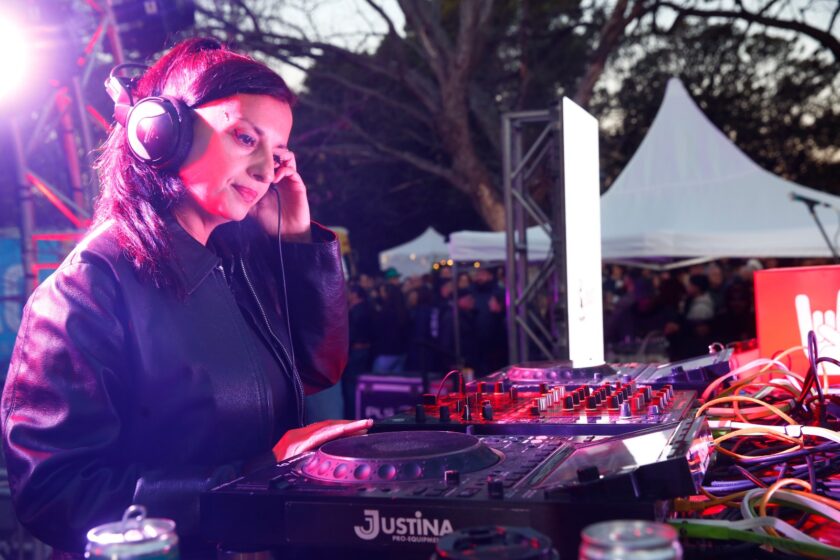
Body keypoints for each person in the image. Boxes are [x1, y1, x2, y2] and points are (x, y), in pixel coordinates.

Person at [0, 38, 369, 558]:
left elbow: (317, 369)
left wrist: (295, 235)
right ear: (160, 134)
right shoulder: (84, 289)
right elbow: (55, 494)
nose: (265, 170)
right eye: (245, 137)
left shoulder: (237, 263)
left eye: (277, 153)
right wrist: (253, 478)